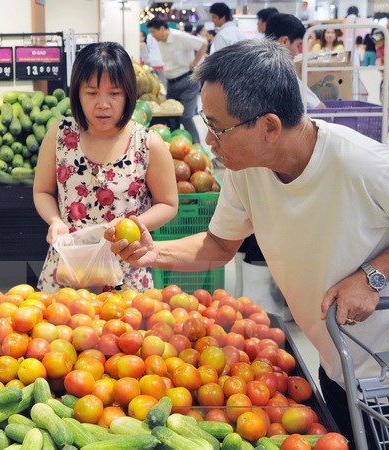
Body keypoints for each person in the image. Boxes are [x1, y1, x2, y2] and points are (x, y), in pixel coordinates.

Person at [106, 38, 389, 447]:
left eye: (219, 127)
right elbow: (220, 245)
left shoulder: (360, 163)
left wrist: (372, 277)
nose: (209, 138)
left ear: (270, 126)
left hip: (381, 367)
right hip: (337, 361)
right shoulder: (247, 169)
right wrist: (153, 253)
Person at [33, 41, 178, 294]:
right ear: (76, 93)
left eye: (114, 93)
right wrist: (55, 221)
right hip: (69, 271)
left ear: (129, 94)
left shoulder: (147, 143)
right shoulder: (59, 136)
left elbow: (168, 204)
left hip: (127, 270)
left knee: (124, 333)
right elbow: (43, 191)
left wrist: (132, 224)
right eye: (91, 93)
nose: (103, 103)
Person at [146, 18, 207, 143]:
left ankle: (197, 145)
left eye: (153, 32)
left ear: (162, 29)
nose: (152, 35)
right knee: (172, 114)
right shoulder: (161, 40)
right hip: (171, 83)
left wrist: (195, 63)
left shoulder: (179, 36)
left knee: (186, 116)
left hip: (188, 81)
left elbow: (203, 44)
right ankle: (177, 144)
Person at [264, 13, 325, 109]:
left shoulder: (250, 59)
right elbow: (319, 107)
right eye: (298, 45)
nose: (297, 52)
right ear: (284, 41)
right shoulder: (281, 70)